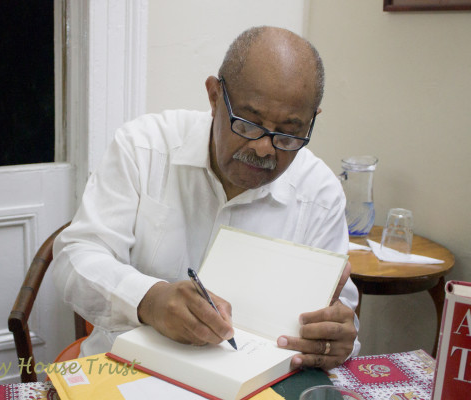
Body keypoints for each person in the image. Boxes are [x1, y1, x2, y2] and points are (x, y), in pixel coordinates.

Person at [52, 25, 359, 370]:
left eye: (288, 134)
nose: (263, 148)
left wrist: (337, 337)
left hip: (253, 383)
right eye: (248, 123)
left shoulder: (319, 192)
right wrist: (150, 300)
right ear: (214, 97)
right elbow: (75, 259)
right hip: (125, 370)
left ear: (310, 122)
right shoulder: (144, 148)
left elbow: (338, 315)